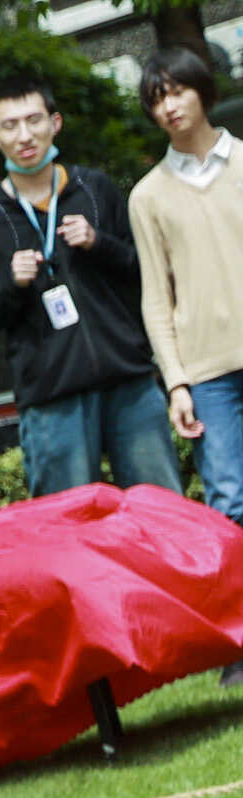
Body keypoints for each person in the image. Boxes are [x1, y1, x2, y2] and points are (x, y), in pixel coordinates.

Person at [0, 73, 175, 499]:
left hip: (128, 379)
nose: (25, 135)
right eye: (10, 125)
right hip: (51, 397)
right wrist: (12, 286)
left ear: (55, 123)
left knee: (162, 508)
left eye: (34, 120)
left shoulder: (95, 189)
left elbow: (145, 271)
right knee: (71, 523)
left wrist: (99, 244)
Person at [133, 45, 243, 525]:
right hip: (207, 375)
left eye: (177, 92)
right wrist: (176, 382)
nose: (169, 107)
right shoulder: (147, 196)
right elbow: (156, 298)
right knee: (229, 504)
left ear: (203, 90)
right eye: (158, 99)